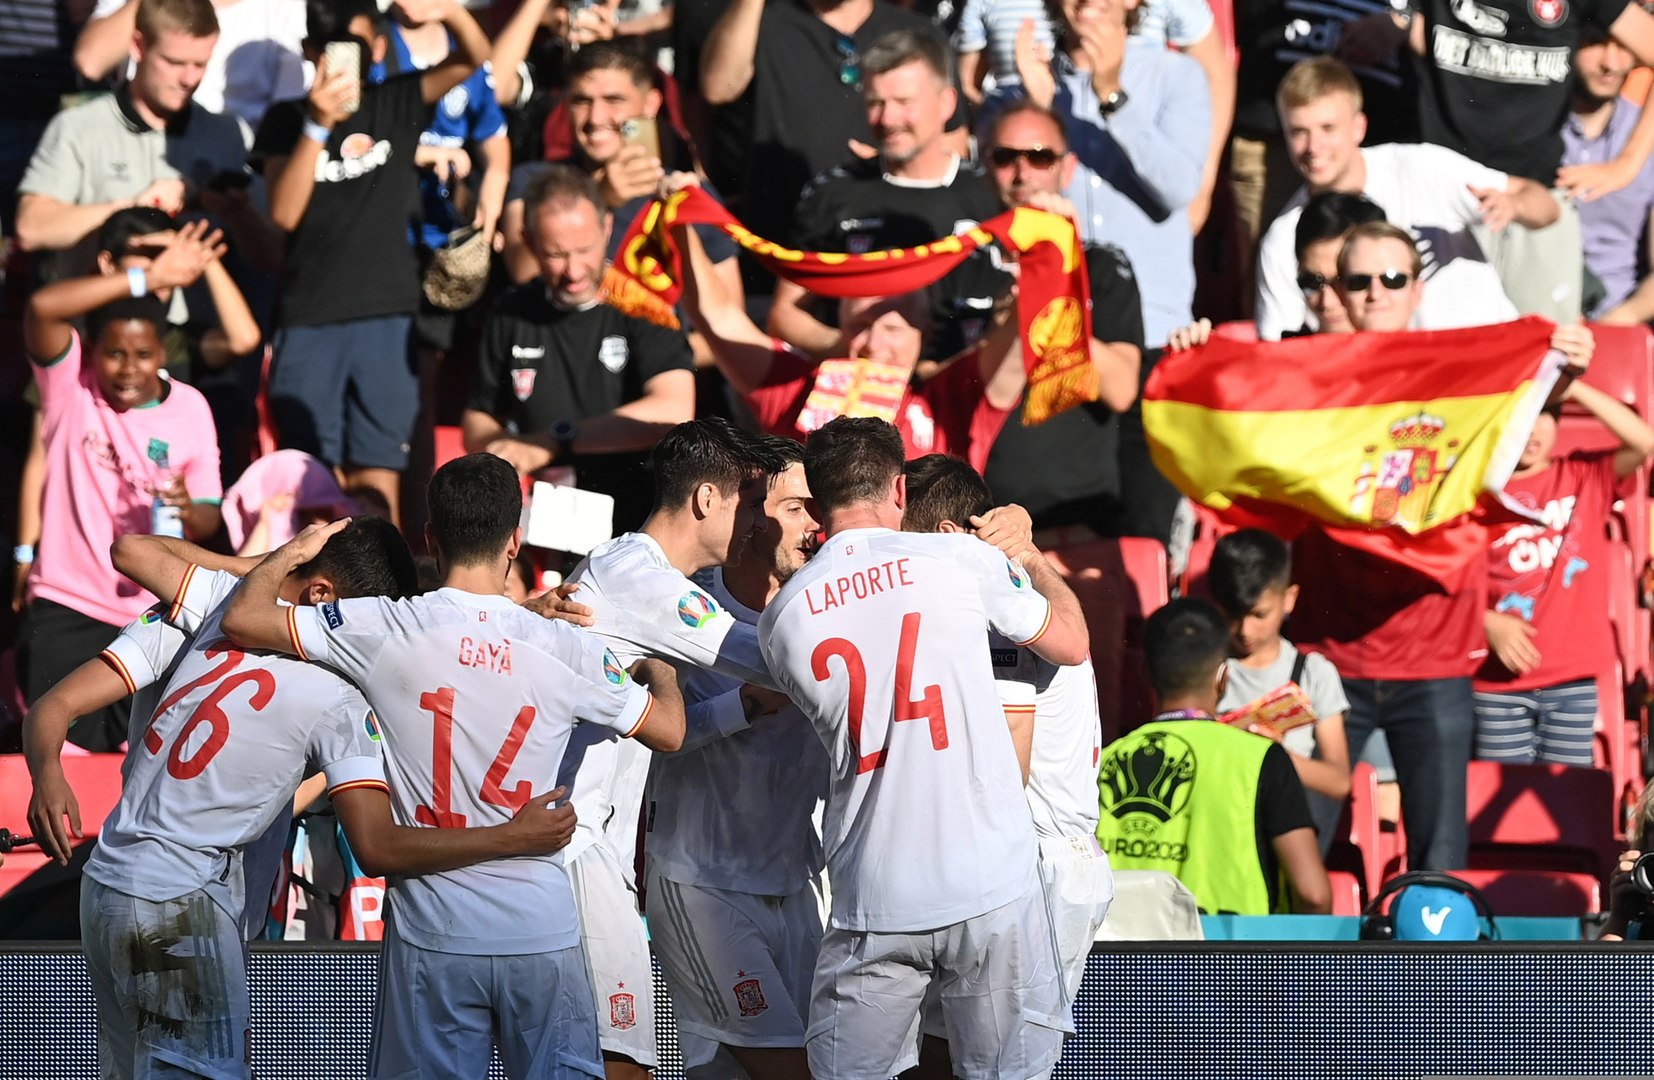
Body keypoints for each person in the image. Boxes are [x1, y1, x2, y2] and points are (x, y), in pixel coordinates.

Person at [220, 453, 687, 1079]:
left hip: (432, 933)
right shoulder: (565, 645)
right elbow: (669, 730)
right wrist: (658, 666)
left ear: (430, 538)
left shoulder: (383, 626)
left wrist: (291, 552)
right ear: (515, 541)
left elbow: (242, 617)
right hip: (540, 929)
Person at [72, 519, 588, 1080]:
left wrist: (281, 559)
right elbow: (376, 846)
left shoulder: (221, 603)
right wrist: (511, 837)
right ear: (325, 597)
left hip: (109, 879)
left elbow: (130, 548)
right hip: (180, 897)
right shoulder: (342, 696)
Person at [758, 416, 1090, 1079]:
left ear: (818, 503)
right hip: (989, 883)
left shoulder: (783, 616)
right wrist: (1028, 554)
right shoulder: (961, 560)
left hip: (874, 893)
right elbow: (1073, 644)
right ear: (899, 489)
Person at [1285, 219, 1593, 869]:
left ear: (1417, 288)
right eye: (1359, 280)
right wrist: (1195, 349)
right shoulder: (1301, 381)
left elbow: (1533, 401)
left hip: (1435, 659)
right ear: (1337, 290)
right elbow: (1230, 400)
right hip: (1331, 657)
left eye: (1393, 278)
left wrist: (1566, 365)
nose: (1376, 292)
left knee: (1440, 861)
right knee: (1299, 851)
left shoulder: (1462, 373)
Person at [556, 418, 786, 1079]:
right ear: (707, 499)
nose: (758, 524)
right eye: (750, 504)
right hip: (577, 849)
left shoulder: (623, 567)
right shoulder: (644, 581)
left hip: (586, 848)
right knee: (624, 1063)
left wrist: (741, 708)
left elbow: (666, 729)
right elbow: (776, 660)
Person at [899, 452, 1112, 1070]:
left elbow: (1003, 772)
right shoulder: (1020, 596)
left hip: (1031, 860)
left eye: (903, 543)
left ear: (947, 535)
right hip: (1005, 854)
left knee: (1006, 1065)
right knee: (943, 1049)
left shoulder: (1000, 616)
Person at [253, 0, 491, 525]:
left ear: (379, 48)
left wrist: (448, 9)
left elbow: (475, 57)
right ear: (310, 52)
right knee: (310, 484)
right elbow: (284, 213)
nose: (347, 60)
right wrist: (318, 125)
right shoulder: (286, 120)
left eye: (358, 47)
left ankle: (379, 578)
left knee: (378, 483)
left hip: (387, 318)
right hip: (309, 320)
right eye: (333, 49)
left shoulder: (397, 99)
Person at [643, 437, 829, 1080]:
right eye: (796, 508)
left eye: (819, 508)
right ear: (751, 515)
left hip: (796, 885)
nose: (814, 526)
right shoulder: (684, 603)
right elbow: (650, 731)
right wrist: (742, 704)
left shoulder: (828, 609)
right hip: (704, 883)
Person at [18, 229, 228, 751]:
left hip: (151, 613)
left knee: (134, 764)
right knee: (58, 753)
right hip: (65, 603)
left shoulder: (191, 408)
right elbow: (43, 307)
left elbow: (209, 516)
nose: (128, 368)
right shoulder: (71, 387)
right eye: (113, 353)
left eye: (142, 353)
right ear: (92, 352)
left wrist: (186, 507)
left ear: (163, 350)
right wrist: (147, 276)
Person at [672, 205, 1019, 473]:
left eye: (893, 329)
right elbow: (717, 316)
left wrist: (1042, 250)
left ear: (924, 333)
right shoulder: (798, 391)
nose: (873, 344)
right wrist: (680, 221)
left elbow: (1019, 344)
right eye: (860, 326)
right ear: (840, 324)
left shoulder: (952, 403)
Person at [465, 165, 695, 535]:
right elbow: (478, 416)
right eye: (556, 254)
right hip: (542, 517)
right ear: (527, 241)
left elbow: (674, 410)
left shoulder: (643, 304)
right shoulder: (512, 311)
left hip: (638, 515)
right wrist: (505, 451)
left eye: (585, 250)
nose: (573, 271)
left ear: (607, 228)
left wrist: (555, 440)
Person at [1255, 58, 1555, 340]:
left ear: (1359, 127)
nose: (1313, 146)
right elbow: (1278, 349)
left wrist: (1514, 205)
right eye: (1298, 132)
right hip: (1390, 374)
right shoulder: (1282, 240)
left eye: (1327, 128)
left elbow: (1545, 205)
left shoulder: (1421, 169)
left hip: (1490, 354)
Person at [1405, 0, 1654, 320]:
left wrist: (1627, 164)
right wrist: (1391, 27)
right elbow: (1412, 30)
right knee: (1437, 342)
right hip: (1444, 199)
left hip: (1537, 203)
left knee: (1549, 346)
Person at [770, 29, 1005, 362]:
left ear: (946, 103)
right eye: (875, 103)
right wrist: (856, 348)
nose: (888, 119)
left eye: (904, 102)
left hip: (967, 386)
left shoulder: (991, 194)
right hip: (867, 389)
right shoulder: (835, 193)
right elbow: (785, 313)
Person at [1097, 598, 1332, 915]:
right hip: (1235, 946)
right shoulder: (1263, 758)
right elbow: (1314, 895)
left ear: (1145, 674)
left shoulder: (1102, 762)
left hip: (1121, 946)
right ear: (1223, 677)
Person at [978, 99, 1144, 534]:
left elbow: (1122, 389)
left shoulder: (1102, 266)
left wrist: (1052, 283)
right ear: (986, 166)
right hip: (978, 524)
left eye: (1039, 157)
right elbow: (959, 386)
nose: (1022, 173)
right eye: (1005, 157)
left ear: (1067, 169)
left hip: (1079, 523)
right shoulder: (965, 265)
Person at [1474, 378, 1654, 764]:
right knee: (1499, 793)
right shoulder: (1474, 495)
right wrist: (1486, 622)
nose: (1531, 429)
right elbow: (1448, 582)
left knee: (1566, 793)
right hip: (1494, 685)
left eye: (1543, 414)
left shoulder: (1584, 475)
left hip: (1571, 682)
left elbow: (1644, 442)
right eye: (1519, 417)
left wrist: (1571, 387)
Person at [15, 0, 265, 275]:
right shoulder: (79, 126)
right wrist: (138, 208)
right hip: (106, 301)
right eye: (174, 62)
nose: (189, 78)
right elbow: (31, 229)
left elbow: (271, 257)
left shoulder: (227, 134)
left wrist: (240, 215)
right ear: (137, 46)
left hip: (197, 303)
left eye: (200, 64)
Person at [699, 0, 969, 254]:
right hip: (784, 254)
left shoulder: (918, 33)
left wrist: (899, 165)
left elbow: (955, 151)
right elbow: (717, 88)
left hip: (894, 254)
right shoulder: (764, 24)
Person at [954, 0, 1233, 230]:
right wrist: (1039, 111)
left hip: (1149, 279)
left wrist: (1114, 97)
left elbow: (1179, 191)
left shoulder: (1177, 76)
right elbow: (991, 195)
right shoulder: (1026, 88)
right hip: (1061, 274)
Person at [1209, 528, 1352, 847]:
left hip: (1283, 838)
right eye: (1233, 614)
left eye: (1259, 614)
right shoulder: (1207, 668)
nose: (1245, 630)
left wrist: (1274, 755)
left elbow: (1339, 781)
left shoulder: (1313, 673)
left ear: (1289, 598)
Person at [74, 0, 308, 130]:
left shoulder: (286, 8)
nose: (188, 79)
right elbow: (91, 62)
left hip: (238, 171)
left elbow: (290, 115)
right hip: (137, 149)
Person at [1565, 25, 1654, 324]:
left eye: (1624, 47)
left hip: (1617, 319)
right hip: (1534, 315)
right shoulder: (1530, 127)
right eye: (1595, 43)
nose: (1610, 63)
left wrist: (1607, 328)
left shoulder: (1647, 140)